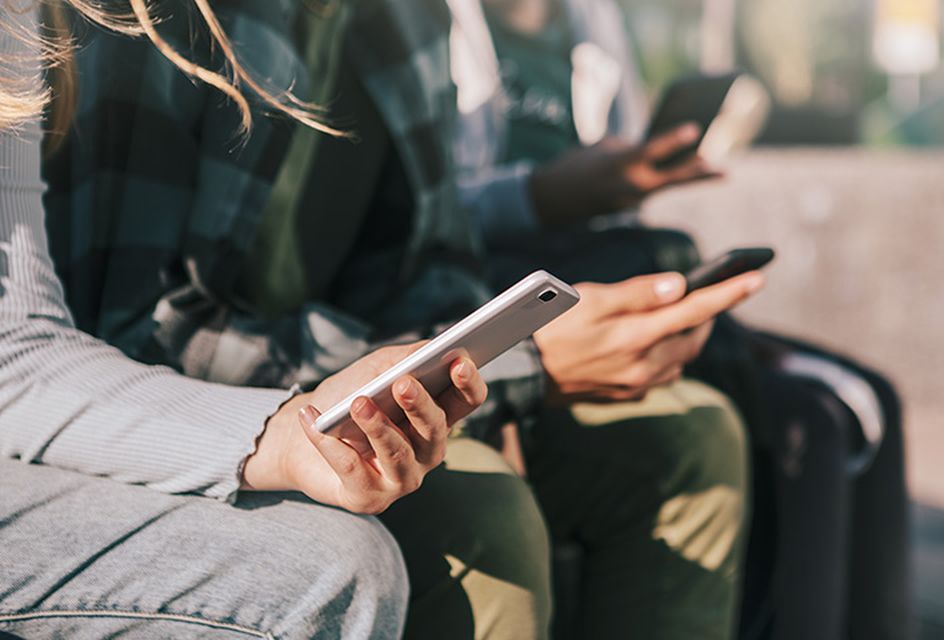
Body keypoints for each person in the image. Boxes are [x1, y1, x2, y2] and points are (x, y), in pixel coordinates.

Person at [41, 1, 767, 638]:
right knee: (479, 513)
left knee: (691, 437)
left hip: (371, 377)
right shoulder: (169, 21)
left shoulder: (410, 16)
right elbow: (139, 332)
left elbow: (430, 263)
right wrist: (523, 368)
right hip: (213, 415)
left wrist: (492, 371)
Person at [0, 2, 490, 638]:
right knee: (327, 567)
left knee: (482, 509)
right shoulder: (151, 28)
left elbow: (18, 341)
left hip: (224, 386)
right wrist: (277, 432)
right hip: (183, 377)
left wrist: (295, 430)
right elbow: (138, 320)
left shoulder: (413, 21)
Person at [448, 1, 912, 638]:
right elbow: (422, 226)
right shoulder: (420, 24)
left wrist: (625, 179)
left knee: (864, 394)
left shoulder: (592, 21)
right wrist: (547, 195)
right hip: (502, 289)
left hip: (600, 270)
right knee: (809, 420)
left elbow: (614, 203)